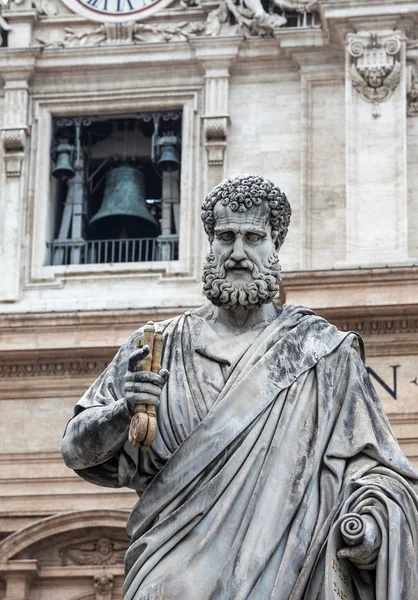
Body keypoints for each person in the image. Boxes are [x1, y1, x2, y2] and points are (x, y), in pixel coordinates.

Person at [62, 174, 418, 599]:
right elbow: (75, 450)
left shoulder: (323, 353)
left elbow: (377, 469)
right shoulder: (158, 345)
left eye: (253, 237)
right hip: (168, 576)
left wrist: (373, 521)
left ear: (275, 245)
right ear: (210, 244)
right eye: (226, 236)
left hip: (283, 576)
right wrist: (125, 412)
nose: (237, 253)